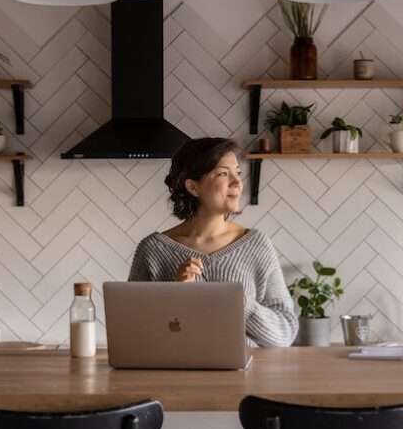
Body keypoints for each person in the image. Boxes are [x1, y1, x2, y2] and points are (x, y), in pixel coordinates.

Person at [128, 137, 298, 347]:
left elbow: (285, 333)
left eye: (237, 172)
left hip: (245, 378)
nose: (237, 182)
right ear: (193, 187)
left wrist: (238, 303)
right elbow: (132, 334)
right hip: (173, 378)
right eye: (223, 174)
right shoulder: (152, 250)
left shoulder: (256, 244)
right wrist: (174, 296)